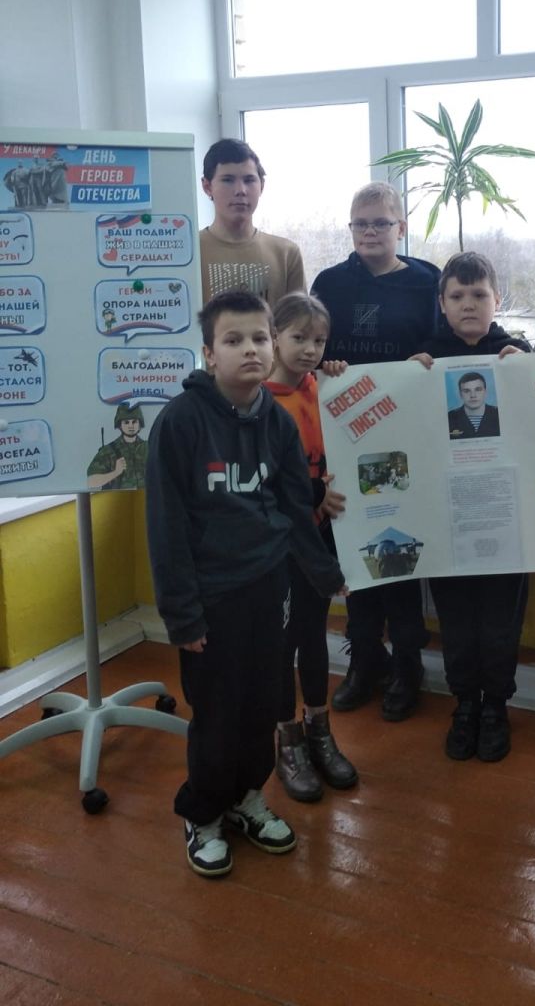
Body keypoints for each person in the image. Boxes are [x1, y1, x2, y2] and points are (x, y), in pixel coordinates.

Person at [145, 289, 347, 878]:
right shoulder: (180, 423)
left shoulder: (276, 422)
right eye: (233, 340)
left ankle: (246, 797)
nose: (251, 349)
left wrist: (328, 576)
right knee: (219, 711)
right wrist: (182, 615)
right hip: (210, 599)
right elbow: (166, 528)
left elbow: (294, 511)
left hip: (269, 589)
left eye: (259, 337)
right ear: (210, 353)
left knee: (263, 703)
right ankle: (204, 812)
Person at [311, 181, 440, 722]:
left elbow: (444, 344)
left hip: (405, 436)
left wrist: (425, 359)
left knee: (400, 553)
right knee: (355, 552)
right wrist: (324, 363)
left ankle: (408, 664)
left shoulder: (428, 281)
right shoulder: (329, 283)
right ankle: (364, 659)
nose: (369, 232)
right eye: (360, 223)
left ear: (400, 227)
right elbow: (310, 346)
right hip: (347, 436)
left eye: (380, 223)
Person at [409, 251, 530, 762]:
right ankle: (464, 704)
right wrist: (406, 381)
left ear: (496, 299)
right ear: (441, 302)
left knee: (502, 619)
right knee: (455, 618)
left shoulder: (517, 354)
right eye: (457, 295)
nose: (468, 304)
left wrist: (527, 374)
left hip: (507, 517)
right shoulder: (423, 359)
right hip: (449, 518)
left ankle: (496, 706)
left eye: (479, 294)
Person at [265, 291, 358, 804]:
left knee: (314, 634)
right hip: (281, 542)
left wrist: (337, 374)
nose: (309, 349)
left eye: (319, 341)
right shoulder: (258, 400)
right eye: (298, 337)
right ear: (274, 336)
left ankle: (320, 728)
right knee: (283, 644)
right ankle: (288, 741)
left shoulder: (321, 386)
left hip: (322, 532)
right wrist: (312, 493)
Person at [199, 138, 305, 304]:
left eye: (249, 180)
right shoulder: (190, 253)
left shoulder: (286, 254)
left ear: (261, 185)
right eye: (227, 180)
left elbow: (299, 319)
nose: (240, 190)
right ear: (207, 187)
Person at [86, 402, 148, 490]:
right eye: (126, 422)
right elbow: (91, 482)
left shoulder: (149, 448)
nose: (131, 426)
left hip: (146, 497)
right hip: (118, 498)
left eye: (134, 422)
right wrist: (115, 473)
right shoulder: (109, 450)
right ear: (120, 425)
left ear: (140, 424)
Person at [447, 370, 501, 439]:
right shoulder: (449, 417)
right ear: (460, 394)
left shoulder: (499, 414)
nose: (473, 395)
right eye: (466, 391)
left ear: (485, 392)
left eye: (478, 389)